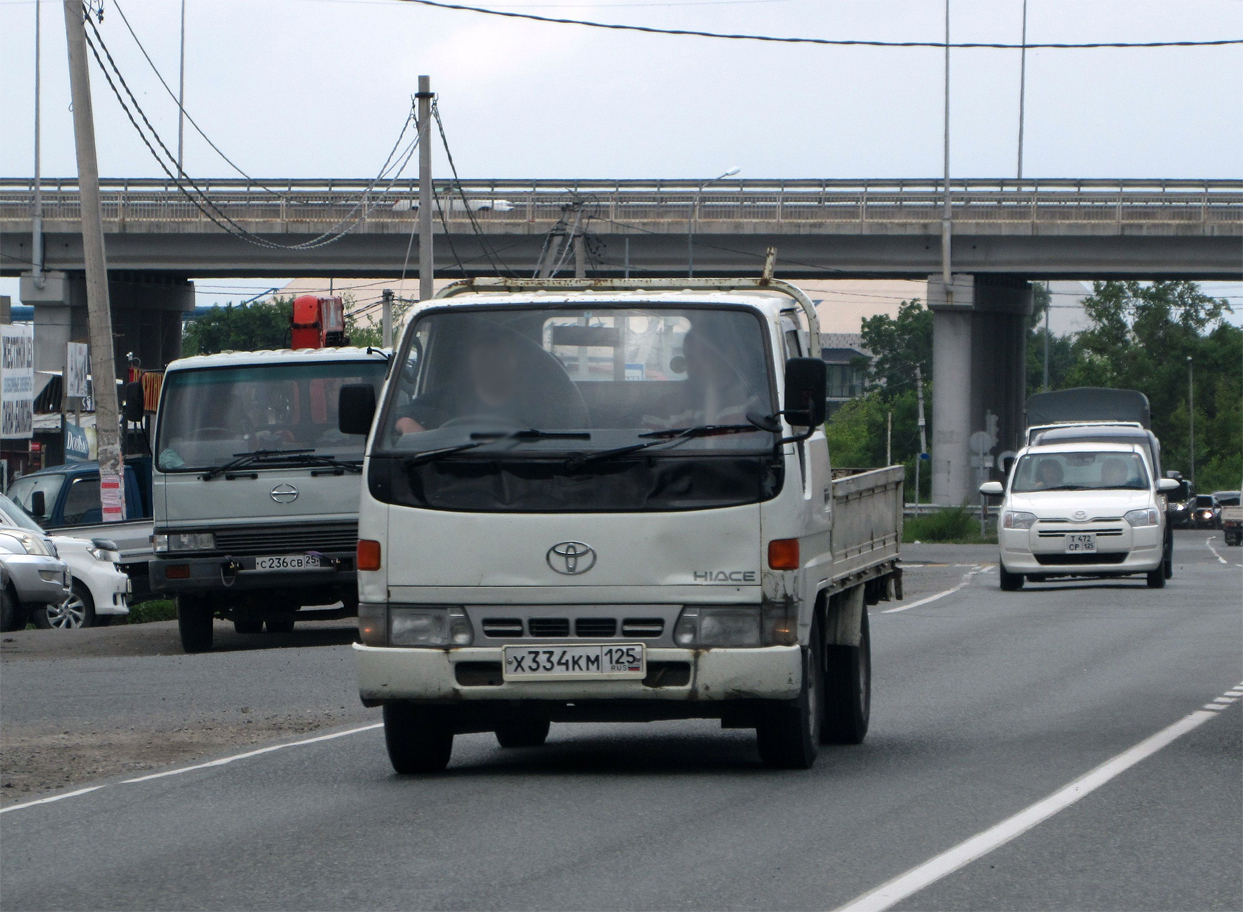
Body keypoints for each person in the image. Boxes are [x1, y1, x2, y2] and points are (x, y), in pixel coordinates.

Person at [396, 333, 525, 435]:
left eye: (499, 356)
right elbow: (395, 416)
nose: (491, 363)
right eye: (483, 356)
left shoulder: (532, 401)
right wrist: (406, 423)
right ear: (472, 362)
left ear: (513, 361)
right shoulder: (449, 396)